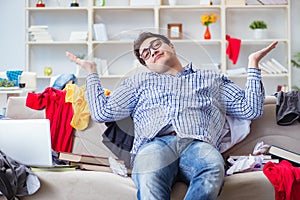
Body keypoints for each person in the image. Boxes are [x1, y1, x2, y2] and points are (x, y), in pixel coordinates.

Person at [66, 32, 278, 200]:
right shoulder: (138, 83)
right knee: (149, 179)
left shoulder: (211, 78)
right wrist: (92, 72)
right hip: (154, 145)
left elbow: (251, 109)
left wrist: (253, 64)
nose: (152, 52)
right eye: (146, 54)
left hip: (198, 145)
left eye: (156, 45)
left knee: (212, 169)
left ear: (171, 47)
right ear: (146, 65)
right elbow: (104, 112)